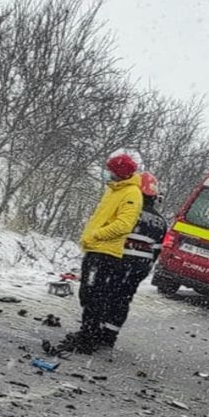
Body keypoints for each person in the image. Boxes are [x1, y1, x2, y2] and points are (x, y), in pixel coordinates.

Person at [73, 151, 143, 353]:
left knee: (94, 296)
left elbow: (123, 225)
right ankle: (88, 332)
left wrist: (96, 235)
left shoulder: (131, 193)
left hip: (105, 253)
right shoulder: (114, 190)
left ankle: (88, 337)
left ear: (120, 172)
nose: (107, 173)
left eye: (110, 170)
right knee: (88, 294)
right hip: (95, 249)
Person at [105, 171, 167, 347]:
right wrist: (145, 267)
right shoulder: (160, 221)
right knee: (123, 298)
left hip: (119, 258)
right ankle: (110, 334)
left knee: (106, 293)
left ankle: (96, 330)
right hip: (140, 266)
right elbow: (157, 249)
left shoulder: (128, 210)